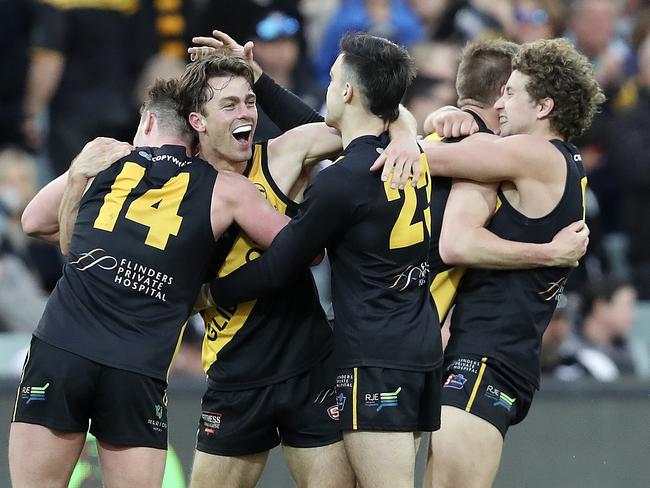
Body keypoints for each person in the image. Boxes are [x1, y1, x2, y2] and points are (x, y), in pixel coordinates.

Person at [10, 78, 290, 488]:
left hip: (62, 349)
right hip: (137, 366)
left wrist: (76, 180)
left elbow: (33, 221)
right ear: (197, 130)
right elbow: (300, 248)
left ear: (146, 122)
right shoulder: (225, 187)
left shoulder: (104, 159)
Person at [182, 34, 420, 488]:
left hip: (310, 368)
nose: (246, 114)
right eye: (229, 105)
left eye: (249, 101)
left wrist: (406, 134)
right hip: (235, 373)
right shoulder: (181, 183)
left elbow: (368, 116)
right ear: (198, 121)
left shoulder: (284, 155)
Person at [407, 38, 604, 488]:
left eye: (512, 93)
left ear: (544, 107)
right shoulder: (564, 162)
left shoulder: (535, 153)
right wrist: (443, 117)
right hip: (500, 355)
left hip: (485, 358)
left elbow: (420, 159)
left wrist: (426, 127)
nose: (500, 102)